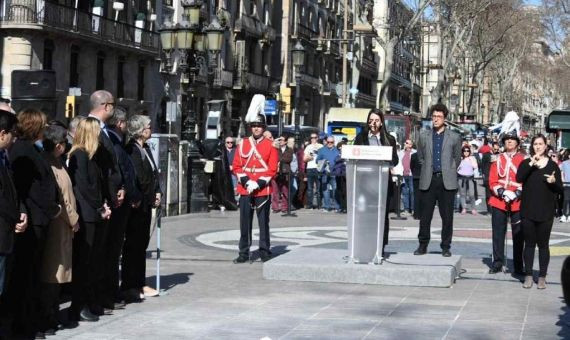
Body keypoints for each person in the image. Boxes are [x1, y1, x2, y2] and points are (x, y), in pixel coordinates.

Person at [5, 109, 60, 338]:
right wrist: (51, 208)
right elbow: (29, 188)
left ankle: (31, 321)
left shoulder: (33, 149)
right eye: (43, 125)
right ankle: (24, 325)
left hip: (40, 219)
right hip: (33, 220)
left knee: (33, 273)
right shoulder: (22, 150)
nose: (46, 129)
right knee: (25, 275)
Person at [68, 118, 112, 323]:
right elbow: (85, 187)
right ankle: (78, 306)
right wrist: (99, 207)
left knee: (93, 261)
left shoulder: (91, 156)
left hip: (94, 213)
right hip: (87, 215)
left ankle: (90, 300)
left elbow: (98, 184)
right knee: (83, 263)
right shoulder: (79, 155)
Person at [39, 125, 80, 334]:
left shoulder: (58, 162)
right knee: (52, 273)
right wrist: (74, 219)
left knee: (58, 273)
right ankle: (48, 316)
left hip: (63, 226)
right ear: (58, 145)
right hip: (58, 224)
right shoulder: (49, 164)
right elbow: (62, 199)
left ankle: (52, 314)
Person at [102, 107, 141, 309]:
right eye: (125, 123)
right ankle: (108, 294)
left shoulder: (118, 142)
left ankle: (112, 291)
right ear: (120, 123)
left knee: (114, 251)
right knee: (111, 252)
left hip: (122, 201)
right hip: (118, 205)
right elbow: (122, 172)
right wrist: (130, 192)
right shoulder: (115, 144)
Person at [232, 95, 278, 263]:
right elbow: (236, 166)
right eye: (254, 125)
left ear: (263, 127)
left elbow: (272, 169)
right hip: (245, 188)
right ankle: (244, 252)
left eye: (259, 126)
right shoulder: (243, 143)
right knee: (245, 223)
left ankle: (265, 251)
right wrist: (246, 182)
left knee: (263, 223)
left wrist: (257, 183)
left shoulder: (270, 145)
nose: (256, 128)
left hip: (262, 189)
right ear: (251, 127)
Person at [121, 115, 161, 302]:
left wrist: (158, 191)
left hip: (146, 203)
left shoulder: (146, 148)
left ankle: (140, 281)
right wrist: (143, 196)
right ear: (140, 130)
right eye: (148, 126)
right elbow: (137, 177)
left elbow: (153, 173)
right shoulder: (132, 150)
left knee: (141, 245)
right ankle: (130, 285)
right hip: (137, 205)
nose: (151, 129)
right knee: (133, 245)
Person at [414, 103, 462, 257]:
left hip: (446, 181)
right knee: (425, 216)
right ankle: (422, 245)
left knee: (447, 217)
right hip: (428, 179)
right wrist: (428, 168)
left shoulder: (454, 137)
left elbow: (457, 158)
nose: (435, 119)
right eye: (434, 116)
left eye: (439, 117)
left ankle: (446, 246)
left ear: (445, 119)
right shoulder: (423, 135)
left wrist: (448, 170)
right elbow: (420, 157)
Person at [517, 134, 563, 289]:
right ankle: (528, 275)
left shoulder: (552, 165)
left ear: (545, 146)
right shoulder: (526, 163)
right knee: (529, 244)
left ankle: (542, 276)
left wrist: (553, 182)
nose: (538, 146)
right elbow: (519, 177)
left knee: (543, 245)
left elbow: (560, 189)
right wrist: (531, 163)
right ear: (532, 146)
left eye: (540, 144)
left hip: (546, 211)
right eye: (535, 144)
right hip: (528, 210)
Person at [353, 109, 398, 255]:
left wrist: (386, 157)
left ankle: (381, 246)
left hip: (382, 182)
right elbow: (354, 155)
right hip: (365, 182)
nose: (373, 123)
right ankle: (365, 244)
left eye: (376, 120)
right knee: (365, 214)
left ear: (381, 122)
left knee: (382, 216)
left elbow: (395, 160)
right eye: (371, 120)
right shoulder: (361, 137)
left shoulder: (388, 139)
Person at [0, 110, 26, 318]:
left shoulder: (4, 158)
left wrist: (21, 213)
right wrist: (16, 217)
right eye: (12, 133)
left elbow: (13, 192)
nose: (14, 138)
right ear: (2, 133)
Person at [488, 132, 525, 275]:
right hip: (499, 200)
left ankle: (518, 265)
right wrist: (502, 192)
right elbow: (492, 180)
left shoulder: (523, 159)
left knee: (518, 235)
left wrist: (517, 193)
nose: (509, 142)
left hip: (517, 201)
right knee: (498, 233)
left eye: (512, 140)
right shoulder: (497, 159)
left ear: (517, 143)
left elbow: (526, 180)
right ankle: (497, 262)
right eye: (507, 140)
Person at [317, 136, 341, 212]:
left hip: (335, 173)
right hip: (324, 173)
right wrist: (323, 161)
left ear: (334, 142)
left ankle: (337, 207)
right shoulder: (321, 150)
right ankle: (327, 207)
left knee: (335, 190)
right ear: (326, 142)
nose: (329, 143)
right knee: (325, 190)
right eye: (328, 142)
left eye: (331, 142)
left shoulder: (337, 151)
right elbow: (317, 160)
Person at [271, 135, 293, 213]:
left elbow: (289, 159)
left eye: (282, 140)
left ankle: (284, 207)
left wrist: (280, 158)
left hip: (285, 172)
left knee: (285, 191)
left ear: (286, 141)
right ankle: (275, 207)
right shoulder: (276, 149)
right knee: (275, 191)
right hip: (276, 172)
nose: (280, 141)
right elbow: (274, 158)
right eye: (279, 140)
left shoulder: (290, 150)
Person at [304, 132, 323, 209]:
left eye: (315, 137)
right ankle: (310, 204)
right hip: (310, 168)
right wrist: (310, 157)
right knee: (310, 188)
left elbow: (323, 157)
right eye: (311, 138)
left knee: (318, 188)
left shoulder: (321, 146)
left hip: (318, 168)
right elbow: (304, 159)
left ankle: (319, 205)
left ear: (317, 138)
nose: (313, 139)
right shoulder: (308, 147)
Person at [457, 146, 479, 215]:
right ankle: (464, 208)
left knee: (472, 194)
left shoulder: (472, 158)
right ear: (462, 152)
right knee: (462, 194)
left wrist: (470, 159)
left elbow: (475, 166)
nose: (466, 152)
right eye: (464, 151)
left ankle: (473, 208)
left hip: (470, 179)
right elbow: (456, 168)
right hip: (461, 179)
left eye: (467, 151)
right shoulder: (460, 159)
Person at [399, 139, 415, 215]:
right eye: (405, 143)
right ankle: (406, 209)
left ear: (411, 145)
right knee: (405, 192)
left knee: (412, 192)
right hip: (403, 175)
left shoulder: (415, 152)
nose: (405, 144)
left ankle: (413, 209)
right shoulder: (401, 153)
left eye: (407, 143)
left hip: (412, 175)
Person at [560, 151, 570, 223]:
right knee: (566, 200)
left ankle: (569, 215)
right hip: (566, 184)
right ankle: (564, 215)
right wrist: (562, 180)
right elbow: (562, 172)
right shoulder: (564, 163)